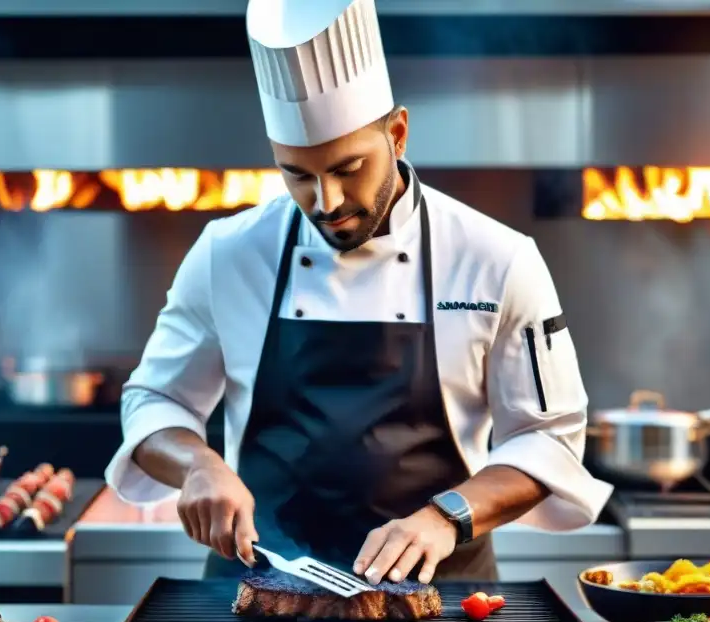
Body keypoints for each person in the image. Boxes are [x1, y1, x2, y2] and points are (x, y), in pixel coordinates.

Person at [106, 0, 612, 586]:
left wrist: (448, 517)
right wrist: (198, 465)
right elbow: (153, 402)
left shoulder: (495, 258)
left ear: (396, 133)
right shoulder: (228, 252)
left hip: (441, 599)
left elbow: (547, 438)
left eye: (348, 168)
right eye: (297, 174)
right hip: (255, 593)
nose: (327, 202)